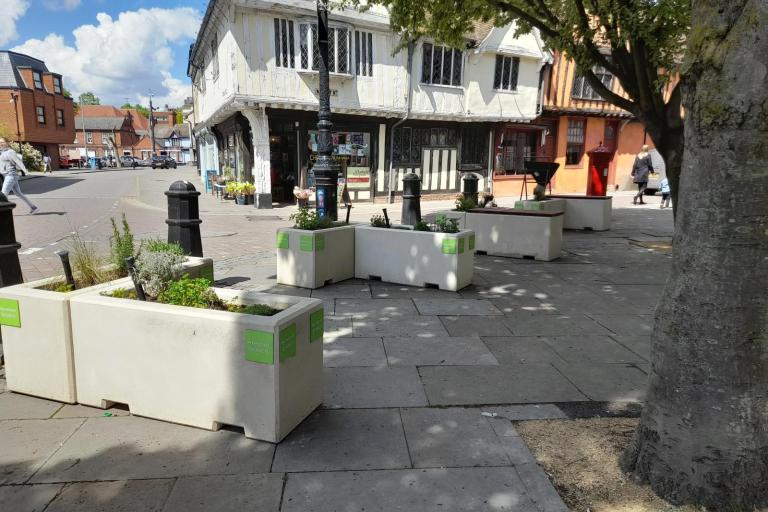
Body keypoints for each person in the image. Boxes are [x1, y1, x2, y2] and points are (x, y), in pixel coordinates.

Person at [0, 137, 39, 214]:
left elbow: (18, 162)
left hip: (10, 175)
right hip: (7, 176)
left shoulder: (11, 152)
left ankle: (4, 213)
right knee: (19, 194)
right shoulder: (1, 152)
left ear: (7, 143)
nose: (0, 144)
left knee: (3, 194)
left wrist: (25, 171)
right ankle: (34, 207)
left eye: (2, 142)